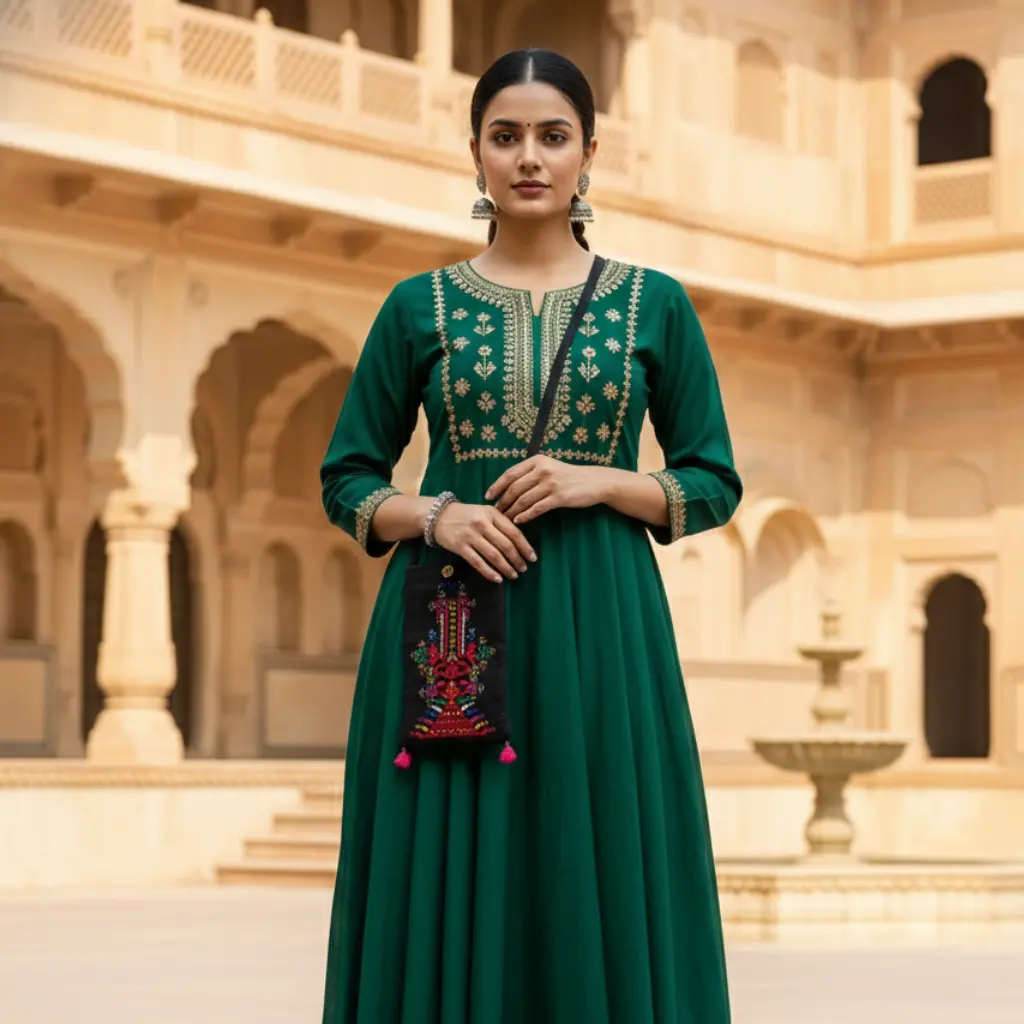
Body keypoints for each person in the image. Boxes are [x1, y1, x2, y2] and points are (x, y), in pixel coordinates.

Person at [320, 47, 742, 1024]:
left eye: (552, 136)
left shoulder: (654, 304)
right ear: (474, 154)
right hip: (453, 627)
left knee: (586, 851)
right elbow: (346, 478)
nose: (529, 158)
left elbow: (712, 480)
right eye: (505, 136)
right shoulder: (414, 306)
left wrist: (601, 480)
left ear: (589, 153)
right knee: (456, 860)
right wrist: (435, 512)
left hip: (603, 632)